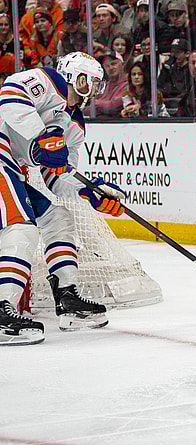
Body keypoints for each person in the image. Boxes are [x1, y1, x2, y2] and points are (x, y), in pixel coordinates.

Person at [0, 52, 126, 345]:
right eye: (86, 82)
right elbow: (8, 92)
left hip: (13, 168)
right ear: (71, 77)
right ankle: (2, 307)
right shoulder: (47, 82)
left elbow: (57, 176)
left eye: (96, 85)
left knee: (58, 217)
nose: (90, 91)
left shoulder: (74, 125)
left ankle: (67, 299)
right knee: (21, 225)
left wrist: (89, 192)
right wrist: (40, 136)